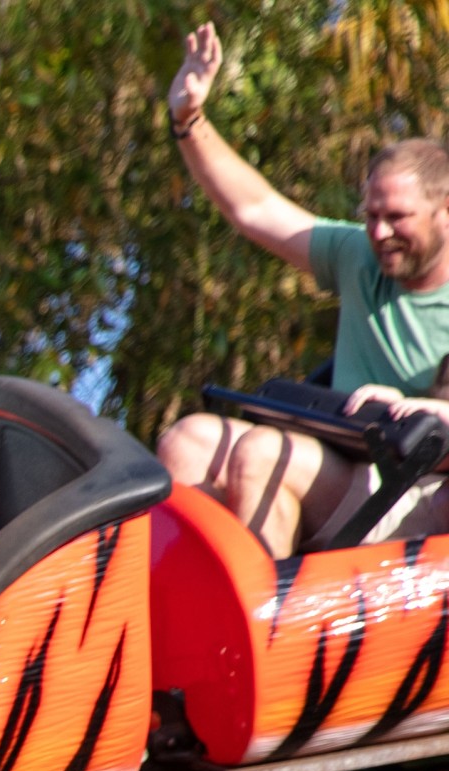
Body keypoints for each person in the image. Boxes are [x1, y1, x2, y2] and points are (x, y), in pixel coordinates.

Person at [153, 21, 449, 558]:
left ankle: (260, 629)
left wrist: (414, 407)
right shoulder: (361, 256)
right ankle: (181, 614)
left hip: (421, 494)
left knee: (265, 452)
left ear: (444, 213)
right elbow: (255, 209)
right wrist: (188, 119)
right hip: (344, 462)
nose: (379, 233)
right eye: (371, 216)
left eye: (398, 217)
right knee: (189, 440)